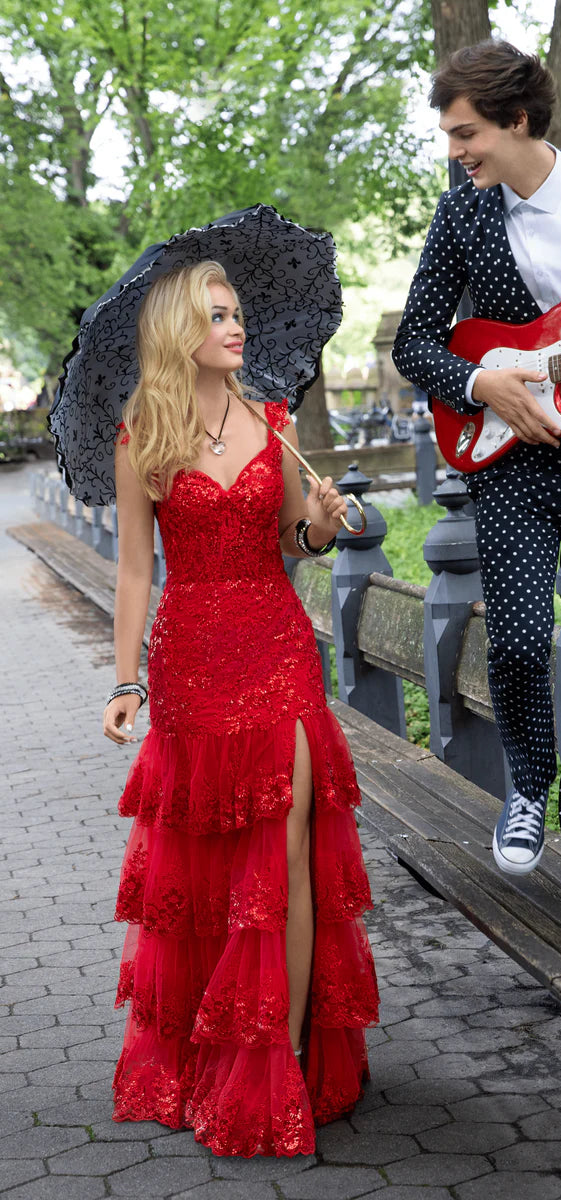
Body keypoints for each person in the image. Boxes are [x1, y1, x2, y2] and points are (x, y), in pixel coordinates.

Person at [102, 261, 379, 1156]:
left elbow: (294, 540)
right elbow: (138, 571)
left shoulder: (274, 421)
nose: (236, 327)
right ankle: (214, 1049)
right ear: (178, 329)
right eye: (216, 315)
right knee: (216, 864)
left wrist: (327, 527)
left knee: (287, 849)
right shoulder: (142, 434)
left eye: (238, 314)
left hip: (277, 646)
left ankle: (284, 1059)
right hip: (191, 663)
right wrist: (125, 679)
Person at [393, 40, 561, 917]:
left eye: (466, 132)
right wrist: (484, 383)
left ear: (517, 119)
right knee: (516, 641)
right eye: (449, 135)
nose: (456, 151)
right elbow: (413, 343)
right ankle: (526, 788)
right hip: (504, 460)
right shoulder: (462, 214)